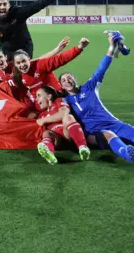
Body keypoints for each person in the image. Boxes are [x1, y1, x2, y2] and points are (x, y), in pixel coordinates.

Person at [60, 33, 134, 162]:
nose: (67, 81)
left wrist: (112, 47)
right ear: (61, 86)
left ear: (75, 80)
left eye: (69, 78)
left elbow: (101, 69)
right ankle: (128, 154)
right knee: (109, 135)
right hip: (94, 132)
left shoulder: (89, 87)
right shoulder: (66, 101)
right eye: (64, 80)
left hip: (114, 124)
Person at [0, 0, 67, 58]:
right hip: (7, 51)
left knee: (24, 70)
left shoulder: (19, 12)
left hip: (25, 49)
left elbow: (38, 5)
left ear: (9, 5)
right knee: (8, 72)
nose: (2, 7)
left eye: (5, 4)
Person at [11, 37, 88, 113]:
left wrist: (80, 47)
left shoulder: (40, 65)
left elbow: (61, 59)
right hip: (42, 106)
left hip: (57, 98)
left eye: (24, 61)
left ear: (29, 59)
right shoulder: (17, 76)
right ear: (15, 64)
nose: (22, 65)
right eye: (18, 63)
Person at [34, 86, 90, 165]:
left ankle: (82, 147)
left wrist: (44, 120)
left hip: (69, 134)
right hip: (58, 141)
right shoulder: (42, 115)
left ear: (49, 96)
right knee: (46, 133)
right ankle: (49, 154)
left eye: (39, 95)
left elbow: (63, 113)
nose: (36, 99)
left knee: (68, 117)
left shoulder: (58, 101)